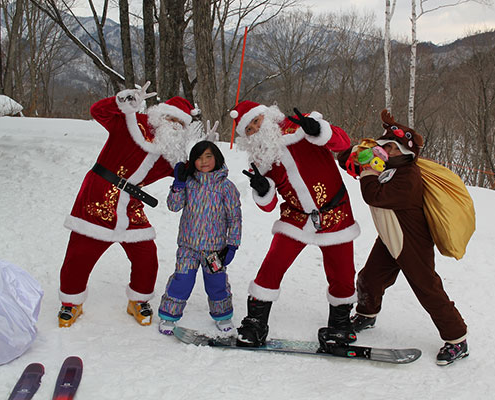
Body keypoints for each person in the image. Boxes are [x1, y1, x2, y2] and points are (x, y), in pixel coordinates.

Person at [58, 82, 214, 328]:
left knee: (146, 254)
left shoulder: (169, 153)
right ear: (160, 115)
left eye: (180, 124)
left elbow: (191, 174)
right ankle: (71, 302)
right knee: (80, 253)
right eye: (171, 119)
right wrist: (122, 102)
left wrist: (210, 156)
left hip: (130, 206)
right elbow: (98, 111)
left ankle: (138, 300)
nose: (174, 126)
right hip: (98, 197)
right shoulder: (130, 123)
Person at [337, 110, 468, 366]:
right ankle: (367, 313)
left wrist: (366, 171)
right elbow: (348, 159)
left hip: (411, 242)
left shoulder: (408, 176)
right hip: (390, 237)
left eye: (392, 149)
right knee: (369, 277)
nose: (385, 152)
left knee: (427, 288)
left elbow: (374, 195)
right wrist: (338, 146)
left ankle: (457, 339)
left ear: (406, 154)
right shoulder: (387, 168)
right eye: (384, 147)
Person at [230, 100, 360, 347]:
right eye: (249, 129)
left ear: (267, 116)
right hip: (295, 217)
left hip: (335, 212)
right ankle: (256, 323)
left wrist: (320, 130)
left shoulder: (303, 127)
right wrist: (262, 189)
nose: (256, 129)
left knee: (342, 273)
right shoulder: (259, 159)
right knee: (272, 266)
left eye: (257, 121)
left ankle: (340, 326)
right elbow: (267, 205)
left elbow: (343, 143)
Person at [157, 140, 241, 335]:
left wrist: (232, 245)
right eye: (198, 158)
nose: (203, 161)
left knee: (217, 283)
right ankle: (169, 316)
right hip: (188, 247)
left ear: (217, 158)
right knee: (182, 280)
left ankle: (223, 316)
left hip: (215, 250)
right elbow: (173, 206)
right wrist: (177, 186)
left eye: (208, 156)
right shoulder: (189, 183)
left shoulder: (226, 188)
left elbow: (235, 218)